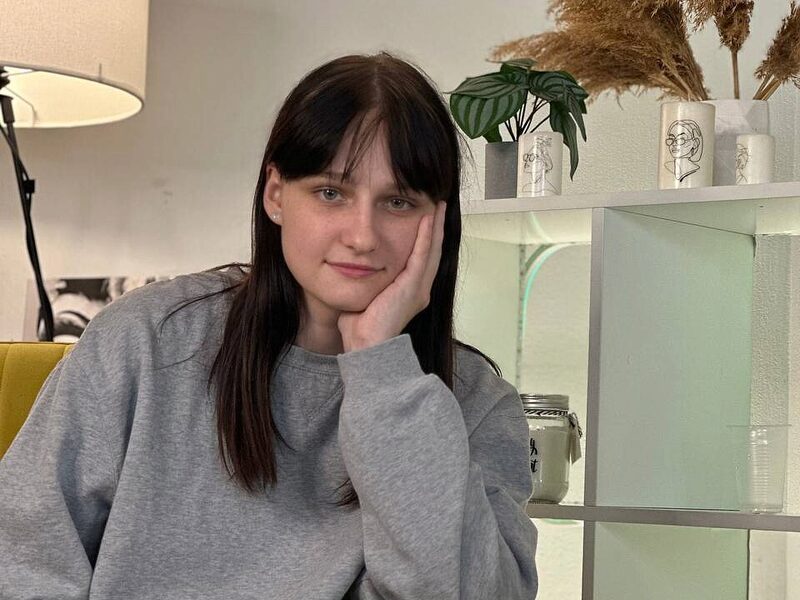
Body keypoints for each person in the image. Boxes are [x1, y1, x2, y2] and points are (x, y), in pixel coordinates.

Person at [0, 52, 538, 599]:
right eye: (331, 193)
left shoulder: (476, 403)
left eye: (398, 202)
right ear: (276, 194)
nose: (362, 235)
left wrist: (383, 374)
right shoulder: (144, 340)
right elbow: (20, 560)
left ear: (439, 221)